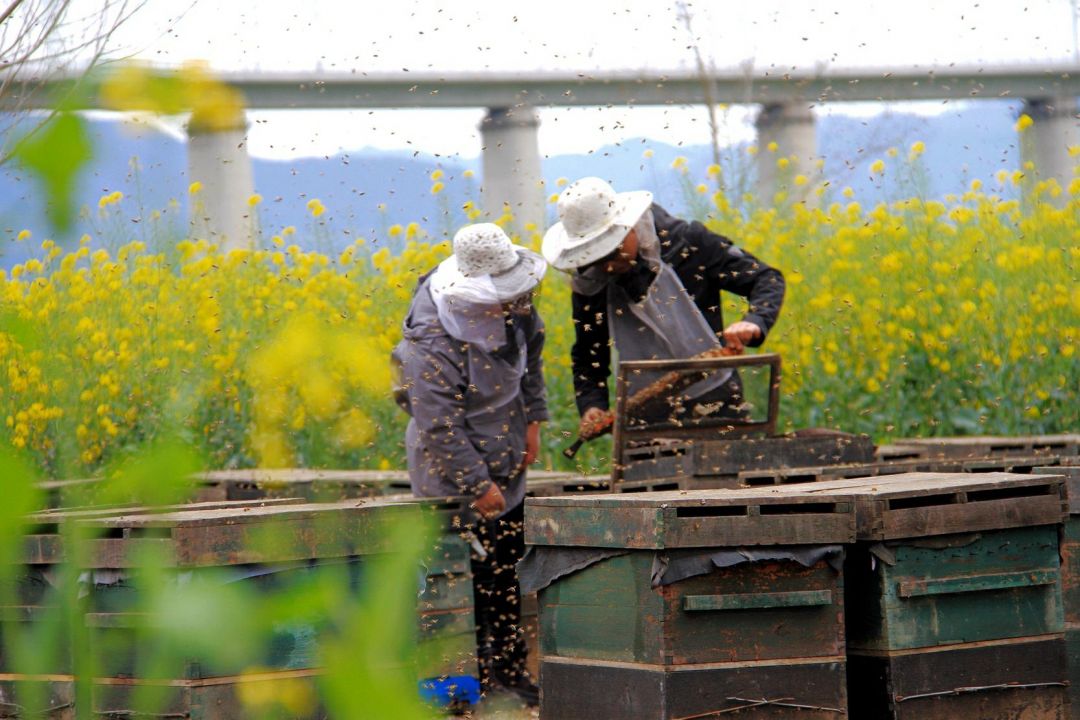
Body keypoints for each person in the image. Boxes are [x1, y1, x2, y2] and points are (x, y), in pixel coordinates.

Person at [392, 223, 547, 706]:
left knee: (506, 573)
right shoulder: (430, 341)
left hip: (505, 452)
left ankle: (510, 675)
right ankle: (470, 681)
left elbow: (532, 361)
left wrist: (534, 421)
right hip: (451, 476)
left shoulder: (517, 309)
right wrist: (477, 484)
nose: (513, 303)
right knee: (465, 584)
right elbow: (438, 424)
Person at [541, 176, 785, 433]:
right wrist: (592, 404)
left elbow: (765, 278)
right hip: (643, 416)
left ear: (630, 226)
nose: (608, 266)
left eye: (612, 252)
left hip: (717, 402)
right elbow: (588, 356)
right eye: (596, 259)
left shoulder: (689, 243)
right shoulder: (591, 281)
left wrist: (754, 321)